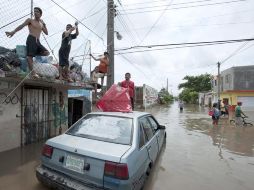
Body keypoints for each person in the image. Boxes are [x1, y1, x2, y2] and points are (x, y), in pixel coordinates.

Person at [5, 7, 49, 78]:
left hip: (38, 41)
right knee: (30, 57)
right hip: (31, 39)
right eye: (34, 11)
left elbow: (46, 32)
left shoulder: (41, 23)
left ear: (40, 14)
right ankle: (33, 73)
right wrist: (13, 31)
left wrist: (44, 23)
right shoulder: (30, 20)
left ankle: (29, 55)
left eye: (37, 12)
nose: (35, 13)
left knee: (46, 52)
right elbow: (21, 26)